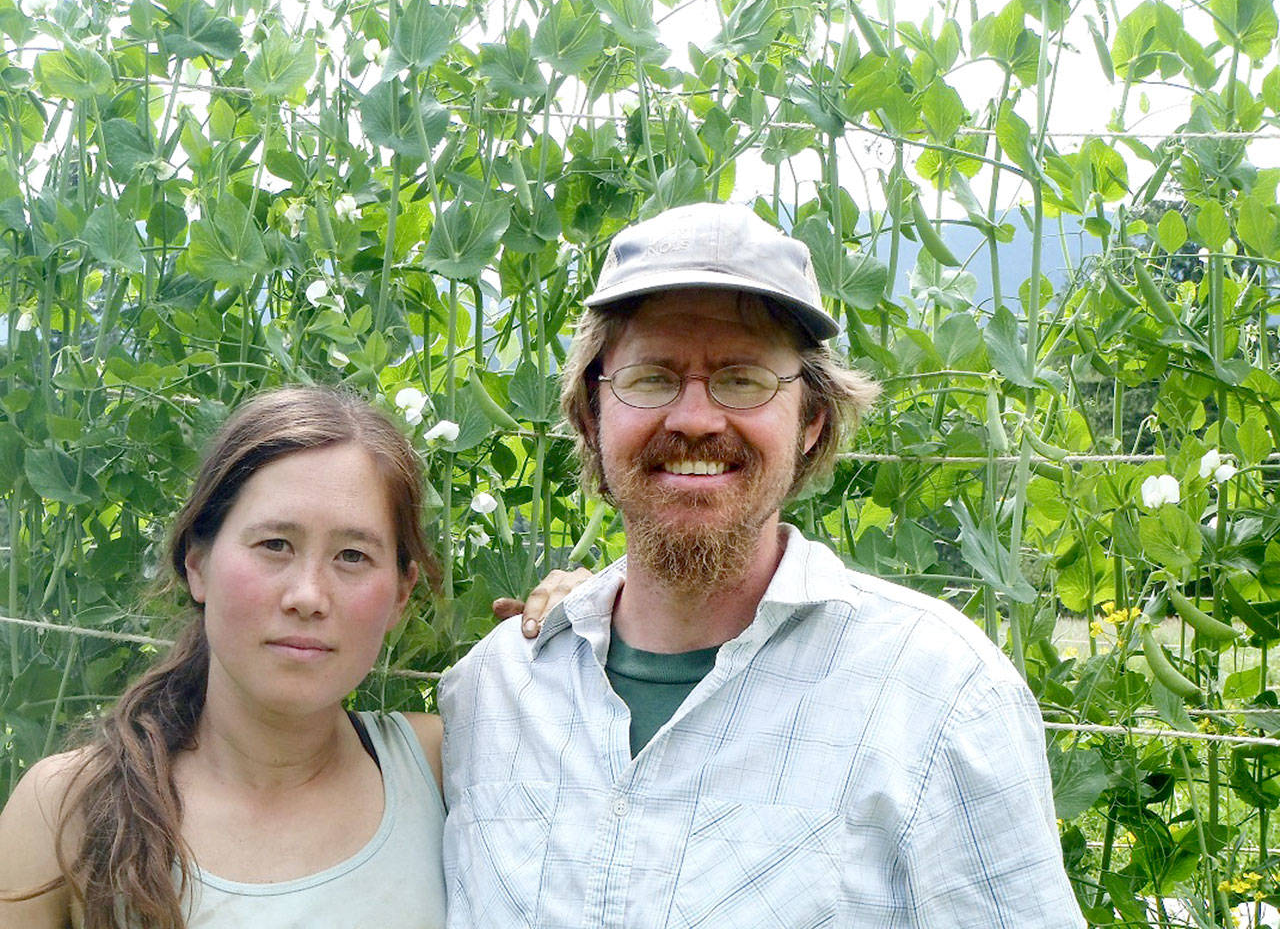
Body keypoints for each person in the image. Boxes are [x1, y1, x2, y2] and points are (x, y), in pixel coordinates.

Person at [440, 202, 1085, 927]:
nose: (694, 418)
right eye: (651, 378)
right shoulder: (491, 693)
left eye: (744, 379)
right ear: (591, 414)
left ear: (812, 421)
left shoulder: (940, 695)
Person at [0, 387, 574, 929]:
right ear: (197, 563)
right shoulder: (69, 807)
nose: (308, 597)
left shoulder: (451, 765)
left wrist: (598, 618)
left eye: (352, 556)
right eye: (275, 545)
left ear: (402, 593)